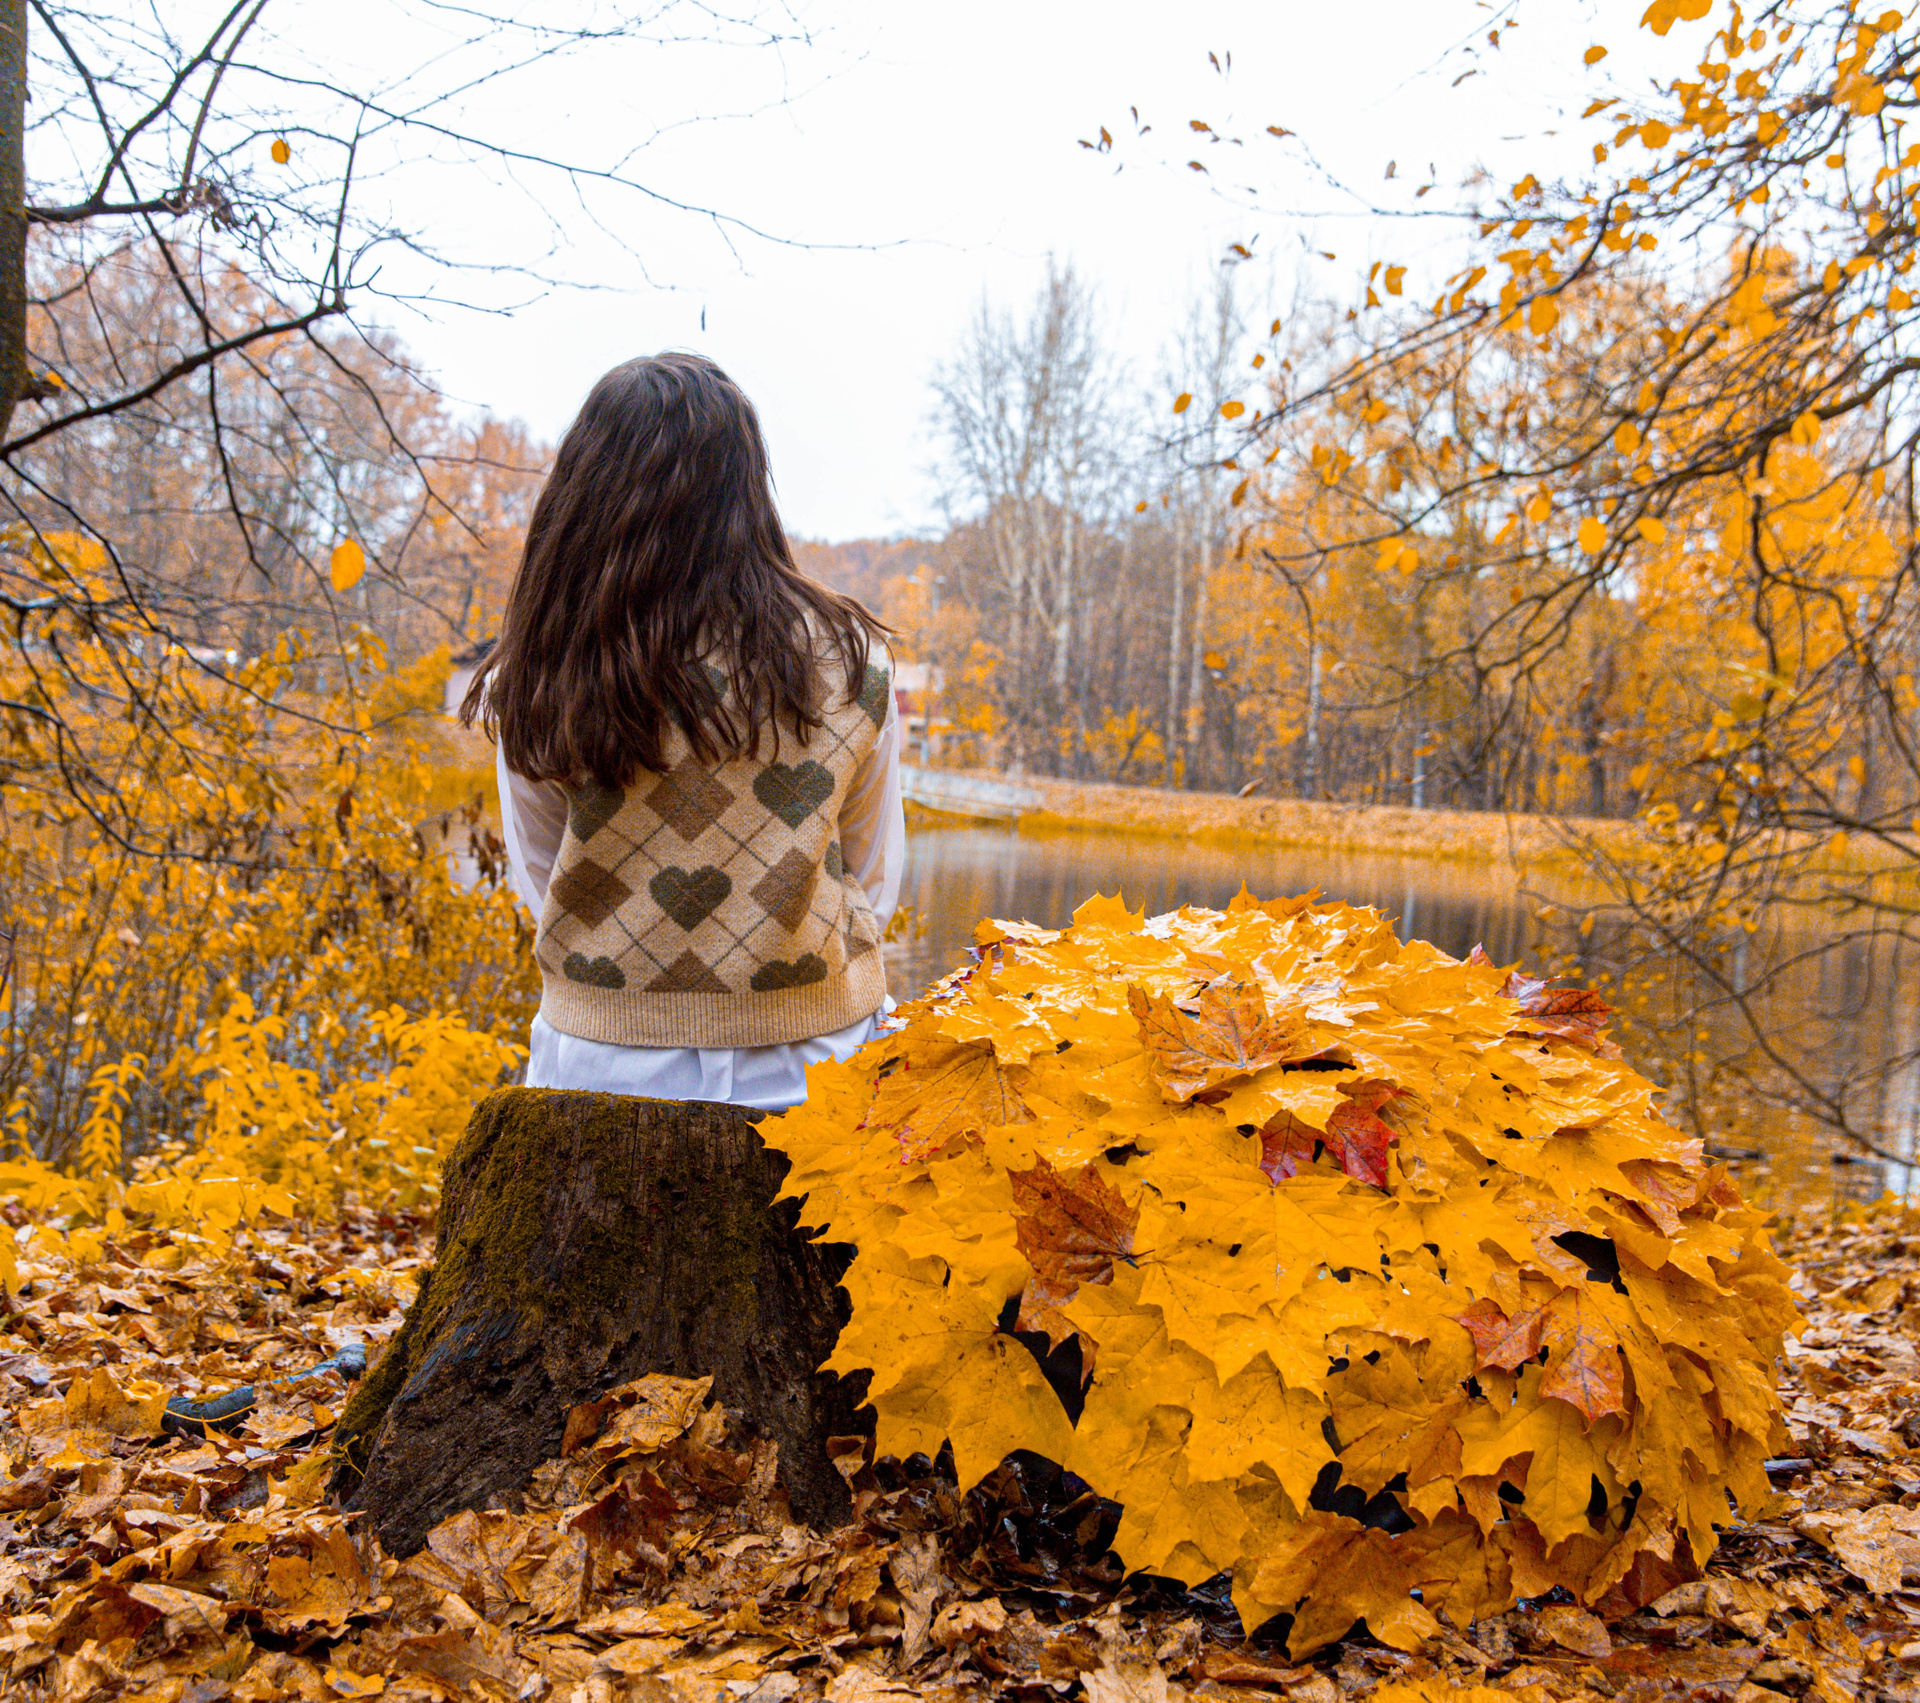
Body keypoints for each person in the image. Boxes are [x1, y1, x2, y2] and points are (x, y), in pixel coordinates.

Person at [461, 352, 903, 1110]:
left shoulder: (544, 663)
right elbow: (871, 873)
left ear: (585, 489)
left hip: (598, 1070)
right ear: (746, 486)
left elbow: (542, 873)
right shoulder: (849, 656)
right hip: (815, 1068)